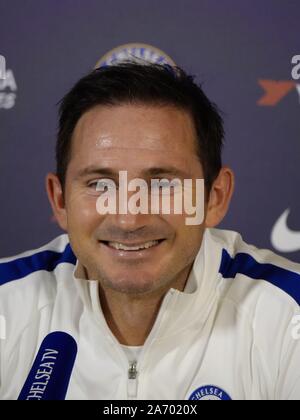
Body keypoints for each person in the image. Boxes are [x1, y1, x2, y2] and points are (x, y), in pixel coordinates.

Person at [0, 62, 299, 400]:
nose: (129, 220)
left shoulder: (290, 316)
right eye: (100, 184)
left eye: (163, 184)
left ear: (215, 197)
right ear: (60, 200)